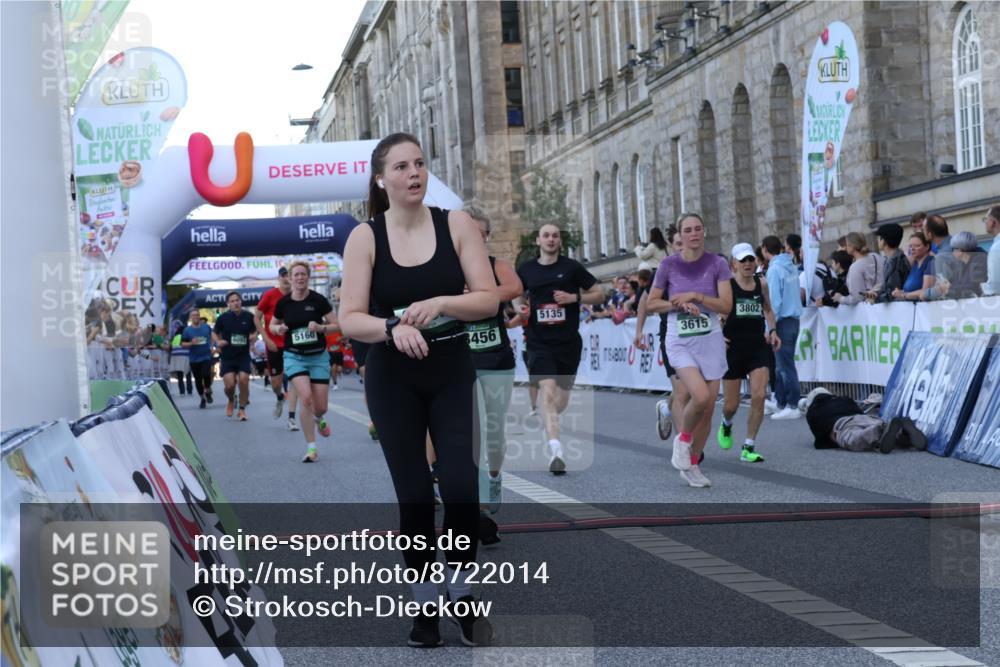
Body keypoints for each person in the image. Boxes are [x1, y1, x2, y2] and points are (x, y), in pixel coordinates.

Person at [338, 133, 499, 648]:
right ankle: (425, 599)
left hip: (451, 369)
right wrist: (390, 328)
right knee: (413, 497)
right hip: (393, 377)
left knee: (460, 490)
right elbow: (349, 318)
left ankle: (461, 587)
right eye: (402, 166)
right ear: (381, 179)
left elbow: (489, 300)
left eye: (421, 164)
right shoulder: (365, 237)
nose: (414, 173)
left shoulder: (456, 224)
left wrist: (443, 302)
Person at [647, 213, 733, 488]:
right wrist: (678, 304)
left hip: (710, 338)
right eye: (688, 230)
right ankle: (683, 440)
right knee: (698, 394)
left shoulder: (717, 263)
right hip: (679, 339)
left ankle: (692, 466)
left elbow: (726, 306)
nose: (693, 234)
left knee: (707, 408)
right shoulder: (668, 266)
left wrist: (697, 296)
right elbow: (651, 303)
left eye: (698, 229)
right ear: (680, 237)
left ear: (704, 232)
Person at [514, 223, 604, 475]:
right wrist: (520, 306)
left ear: (559, 241)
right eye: (546, 235)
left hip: (568, 343)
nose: (551, 239)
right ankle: (556, 450)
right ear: (538, 240)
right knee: (548, 392)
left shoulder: (572, 268)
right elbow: (516, 293)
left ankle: (550, 419)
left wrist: (575, 298)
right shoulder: (527, 269)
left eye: (555, 235)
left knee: (560, 398)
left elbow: (599, 294)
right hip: (538, 341)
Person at [463, 205, 522, 515]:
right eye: (469, 232)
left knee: (494, 428)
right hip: (460, 360)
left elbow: (515, 287)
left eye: (481, 233)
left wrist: (479, 295)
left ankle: (495, 477)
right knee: (466, 429)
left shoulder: (493, 265)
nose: (475, 238)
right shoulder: (448, 268)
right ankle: (469, 492)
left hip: (496, 357)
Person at [717, 243, 780, 463]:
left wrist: (772, 330)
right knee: (731, 405)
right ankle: (726, 423)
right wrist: (717, 334)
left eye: (751, 259)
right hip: (732, 349)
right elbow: (715, 313)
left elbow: (768, 310)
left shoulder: (761, 284)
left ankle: (749, 446)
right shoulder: (726, 286)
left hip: (756, 347)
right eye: (742, 260)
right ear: (733, 263)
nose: (747, 264)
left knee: (760, 395)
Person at [270, 261, 339, 462]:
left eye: (303, 274)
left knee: (321, 407)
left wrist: (321, 328)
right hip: (294, 356)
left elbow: (337, 324)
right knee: (305, 398)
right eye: (296, 274)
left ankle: (319, 417)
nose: (300, 278)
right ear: (290, 278)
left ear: (308, 277)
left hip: (318, 356)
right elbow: (272, 325)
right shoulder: (284, 303)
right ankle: (311, 448)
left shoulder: (318, 300)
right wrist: (277, 329)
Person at [634, 224, 689, 441]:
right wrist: (638, 332)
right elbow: (644, 303)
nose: (683, 247)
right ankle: (684, 447)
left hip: (699, 339)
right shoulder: (663, 273)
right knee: (683, 392)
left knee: (692, 392)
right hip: (672, 338)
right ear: (672, 247)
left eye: (686, 242)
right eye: (678, 244)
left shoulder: (705, 269)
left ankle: (666, 409)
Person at [805, 388, 927, 453]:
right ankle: (903, 433)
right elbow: (858, 410)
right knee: (883, 431)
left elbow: (819, 438)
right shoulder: (842, 399)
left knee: (856, 439)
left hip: (842, 426)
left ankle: (879, 430)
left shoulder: (814, 411)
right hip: (864, 417)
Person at [761, 235, 803, 420]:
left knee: (785, 365)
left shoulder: (775, 269)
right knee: (782, 365)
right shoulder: (790, 265)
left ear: (764, 249)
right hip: (793, 319)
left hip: (782, 321)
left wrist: (770, 327)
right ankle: (781, 402)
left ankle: (792, 404)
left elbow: (774, 302)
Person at [255, 267, 300, 429]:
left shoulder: (298, 294)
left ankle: (292, 418)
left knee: (295, 379)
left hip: (293, 343)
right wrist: (266, 339)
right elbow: (256, 317)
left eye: (289, 275)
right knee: (276, 384)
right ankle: (280, 396)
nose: (286, 278)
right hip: (274, 345)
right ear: (279, 278)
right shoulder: (270, 295)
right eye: (283, 275)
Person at [213, 291, 257, 421]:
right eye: (232, 301)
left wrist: (253, 337)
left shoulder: (249, 316)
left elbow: (256, 331)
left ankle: (242, 410)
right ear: (228, 304)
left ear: (241, 301)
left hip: (243, 355)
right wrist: (218, 342)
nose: (235, 303)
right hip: (228, 356)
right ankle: (231, 399)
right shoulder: (223, 318)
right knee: (229, 386)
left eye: (237, 300)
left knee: (244, 380)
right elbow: (214, 333)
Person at [833, 232, 884, 306]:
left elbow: (857, 298)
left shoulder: (855, 267)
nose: (846, 247)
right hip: (884, 301)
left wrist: (841, 298)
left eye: (847, 245)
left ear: (852, 246)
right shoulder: (876, 256)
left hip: (869, 308)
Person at [934, 231, 988, 300]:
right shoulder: (963, 263)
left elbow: (973, 287)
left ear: (960, 250)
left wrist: (948, 288)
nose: (952, 252)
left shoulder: (980, 260)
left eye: (953, 249)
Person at [181, 310, 214, 409]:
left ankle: (207, 389)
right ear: (190, 318)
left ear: (199, 316)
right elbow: (183, 344)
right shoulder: (187, 330)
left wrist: (212, 346)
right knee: (198, 380)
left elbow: (212, 337)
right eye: (193, 315)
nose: (195, 316)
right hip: (194, 359)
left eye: (197, 315)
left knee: (206, 374)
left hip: (206, 356)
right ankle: (202, 398)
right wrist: (191, 343)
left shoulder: (206, 327)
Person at [892, 233, 936, 302]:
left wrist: (904, 295)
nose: (912, 249)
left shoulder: (930, 262)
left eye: (917, 246)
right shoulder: (915, 264)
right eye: (910, 246)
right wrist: (900, 292)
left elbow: (926, 292)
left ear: (927, 246)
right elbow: (911, 289)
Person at [873, 223, 910, 302]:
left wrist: (875, 298)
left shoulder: (895, 262)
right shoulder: (892, 259)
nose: (879, 241)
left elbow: (892, 293)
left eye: (880, 238)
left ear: (884, 241)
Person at [981, 206, 1000, 296]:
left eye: (986, 219)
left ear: (993, 223)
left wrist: (980, 288)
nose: (984, 222)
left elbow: (995, 286)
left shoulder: (996, 248)